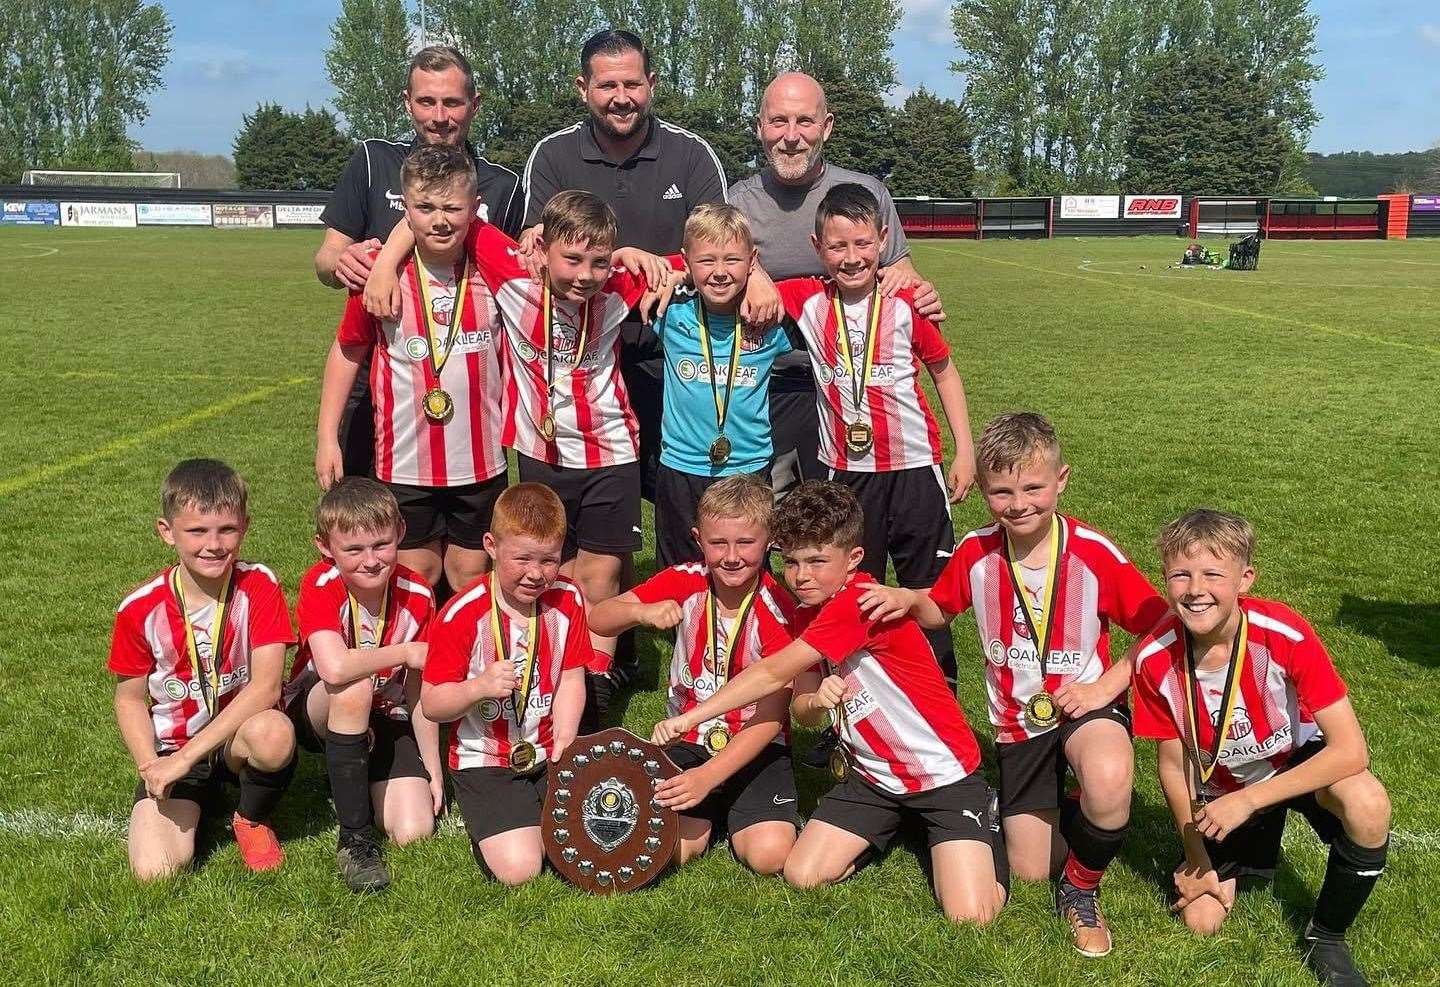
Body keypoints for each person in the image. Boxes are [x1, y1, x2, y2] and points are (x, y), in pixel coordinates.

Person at [859, 412, 1168, 958]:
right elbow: (939, 608)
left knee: (1110, 774)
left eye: (1033, 487)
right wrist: (909, 599)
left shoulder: (1094, 553)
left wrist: (1104, 690)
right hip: (1017, 723)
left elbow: (1163, 624)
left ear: (1061, 480)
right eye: (1002, 491)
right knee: (1029, 869)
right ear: (982, 490)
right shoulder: (976, 551)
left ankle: (1081, 888)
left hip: (1083, 707)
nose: (1019, 503)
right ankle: (1059, 805)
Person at [364, 188, 674, 722]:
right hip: (540, 451)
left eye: (598, 261)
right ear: (542, 248)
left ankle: (592, 701)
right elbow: (443, 215)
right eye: (572, 259)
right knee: (552, 572)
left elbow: (710, 256)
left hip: (611, 452)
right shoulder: (513, 277)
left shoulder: (622, 282)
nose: (585, 274)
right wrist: (386, 263)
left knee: (598, 576)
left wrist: (641, 256)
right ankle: (552, 671)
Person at [654, 481, 1008, 925]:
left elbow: (771, 673)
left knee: (971, 916)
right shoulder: (805, 610)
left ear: (853, 560)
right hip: (873, 779)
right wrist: (818, 703)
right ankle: (905, 826)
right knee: (803, 874)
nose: (802, 576)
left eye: (818, 561)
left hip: (942, 776)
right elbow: (801, 709)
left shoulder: (858, 603)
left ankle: (979, 821)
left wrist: (693, 714)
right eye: (793, 562)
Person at [520, 28, 756, 691]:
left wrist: (672, 266)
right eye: (607, 85)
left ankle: (709, 648)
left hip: (677, 361)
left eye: (632, 84)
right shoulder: (554, 153)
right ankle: (599, 654)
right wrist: (620, 258)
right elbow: (534, 248)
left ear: (651, 83)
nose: (622, 97)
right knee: (588, 526)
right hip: (582, 362)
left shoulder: (689, 153)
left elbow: (721, 249)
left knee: (671, 509)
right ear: (583, 89)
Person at [1134, 509, 1390, 986]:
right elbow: (1173, 767)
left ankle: (1327, 937)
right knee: (1202, 921)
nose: (1195, 589)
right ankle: (1250, 858)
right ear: (1165, 578)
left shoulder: (1284, 633)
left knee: (1368, 803)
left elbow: (1351, 751)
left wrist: (1249, 801)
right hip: (1223, 779)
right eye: (1180, 574)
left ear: (1245, 579)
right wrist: (1196, 857)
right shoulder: (1152, 659)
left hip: (1294, 759)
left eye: (1213, 574)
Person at [774, 183, 973, 688]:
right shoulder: (806, 300)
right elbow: (737, 270)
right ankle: (846, 700)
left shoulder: (906, 301)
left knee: (925, 588)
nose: (851, 257)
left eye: (862, 244)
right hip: (846, 474)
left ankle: (936, 692)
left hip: (914, 471)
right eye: (837, 247)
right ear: (818, 248)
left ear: (883, 239)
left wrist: (964, 449)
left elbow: (944, 371)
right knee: (848, 589)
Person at [730, 72, 945, 500]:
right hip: (764, 386)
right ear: (759, 127)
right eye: (778, 122)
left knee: (843, 520)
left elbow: (902, 273)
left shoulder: (867, 192)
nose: (791, 137)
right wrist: (752, 274)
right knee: (771, 516)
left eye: (805, 122)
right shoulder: (737, 202)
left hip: (852, 386)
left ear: (827, 126)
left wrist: (921, 289)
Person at [314, 45, 524, 481]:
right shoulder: (374, 161)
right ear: (408, 103)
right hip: (374, 370)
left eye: (452, 102)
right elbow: (325, 259)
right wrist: (344, 262)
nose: (439, 116)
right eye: (426, 101)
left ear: (474, 104)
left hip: (466, 386)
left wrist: (390, 256)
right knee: (366, 525)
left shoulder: (502, 184)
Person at [317, 143, 505, 596]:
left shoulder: (495, 271)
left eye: (452, 208)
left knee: (471, 577)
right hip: (403, 463)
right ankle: (411, 666)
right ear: (406, 210)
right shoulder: (380, 277)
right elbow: (347, 352)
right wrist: (327, 437)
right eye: (425, 207)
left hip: (481, 461)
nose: (439, 219)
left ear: (475, 208)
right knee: (415, 578)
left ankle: (464, 665)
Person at [590, 475, 799, 874]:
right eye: (718, 543)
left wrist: (708, 777)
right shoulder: (684, 580)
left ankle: (725, 804)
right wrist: (640, 612)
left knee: (769, 857)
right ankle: (710, 813)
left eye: (746, 543)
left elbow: (773, 712)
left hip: (756, 743)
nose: (732, 556)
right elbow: (599, 618)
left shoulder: (781, 608)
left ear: (770, 539)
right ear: (698, 538)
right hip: (688, 740)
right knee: (668, 849)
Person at [109, 459, 296, 879]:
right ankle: (193, 801)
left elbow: (266, 688)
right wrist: (152, 767)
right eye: (196, 531)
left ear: (244, 527)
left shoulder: (259, 585)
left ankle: (249, 817)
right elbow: (130, 700)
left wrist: (186, 758)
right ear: (166, 531)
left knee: (274, 732)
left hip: (237, 743)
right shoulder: (140, 608)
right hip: (175, 750)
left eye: (227, 530)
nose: (213, 544)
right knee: (155, 872)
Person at [421, 484, 590, 884]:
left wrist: (566, 735)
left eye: (549, 560)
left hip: (549, 750)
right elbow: (432, 703)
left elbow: (570, 675)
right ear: (491, 546)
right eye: (522, 558)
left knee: (584, 842)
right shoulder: (461, 613)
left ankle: (529, 814)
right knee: (521, 869)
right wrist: (475, 688)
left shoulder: (569, 599)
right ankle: (497, 815)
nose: (536, 573)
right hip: (486, 759)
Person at [282, 477, 442, 893]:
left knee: (414, 830)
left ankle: (351, 776)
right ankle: (355, 841)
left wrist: (432, 769)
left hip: (385, 712)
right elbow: (333, 669)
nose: (370, 560)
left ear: (401, 534)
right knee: (353, 686)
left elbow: (417, 690)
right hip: (318, 707)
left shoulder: (420, 593)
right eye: (353, 550)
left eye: (381, 545)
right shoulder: (320, 584)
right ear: (325, 546)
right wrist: (404, 652)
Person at [649, 204, 791, 567]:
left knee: (745, 565)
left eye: (732, 260)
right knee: (681, 572)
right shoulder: (669, 312)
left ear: (752, 260)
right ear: (686, 261)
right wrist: (672, 275)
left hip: (749, 467)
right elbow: (613, 272)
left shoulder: (771, 319)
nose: (720, 273)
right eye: (706, 261)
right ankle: (685, 627)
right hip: (682, 468)